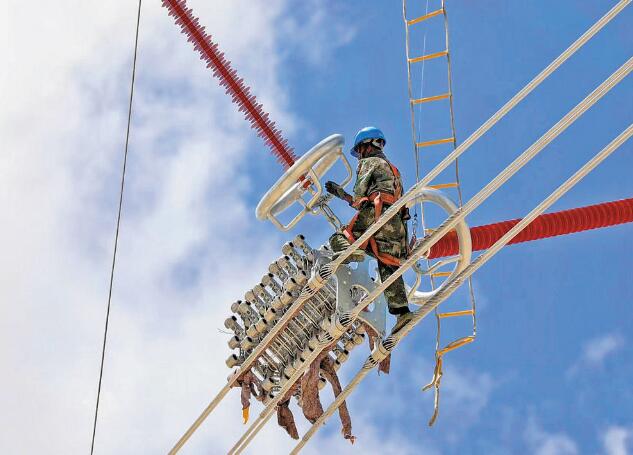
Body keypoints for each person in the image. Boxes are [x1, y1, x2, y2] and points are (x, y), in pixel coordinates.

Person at [325, 127, 414, 335]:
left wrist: (344, 195)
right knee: (387, 265)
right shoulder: (394, 170)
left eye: (359, 150)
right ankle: (402, 313)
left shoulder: (369, 162)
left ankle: (352, 251)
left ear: (368, 145)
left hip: (377, 213)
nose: (359, 156)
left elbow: (360, 196)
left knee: (340, 238)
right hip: (397, 226)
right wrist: (341, 194)